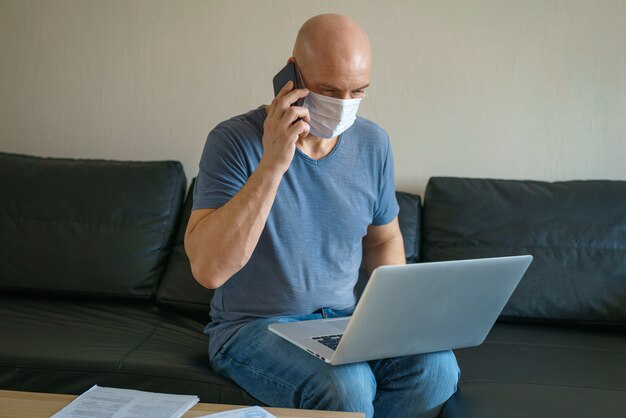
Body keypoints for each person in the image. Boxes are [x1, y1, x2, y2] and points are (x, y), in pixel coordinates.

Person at [184, 13, 459, 418]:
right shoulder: (233, 141)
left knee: (437, 370)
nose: (344, 104)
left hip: (342, 324)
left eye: (358, 91)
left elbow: (383, 239)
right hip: (252, 328)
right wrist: (274, 163)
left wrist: (396, 317)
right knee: (346, 384)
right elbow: (209, 270)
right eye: (329, 90)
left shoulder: (373, 143)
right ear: (290, 76)